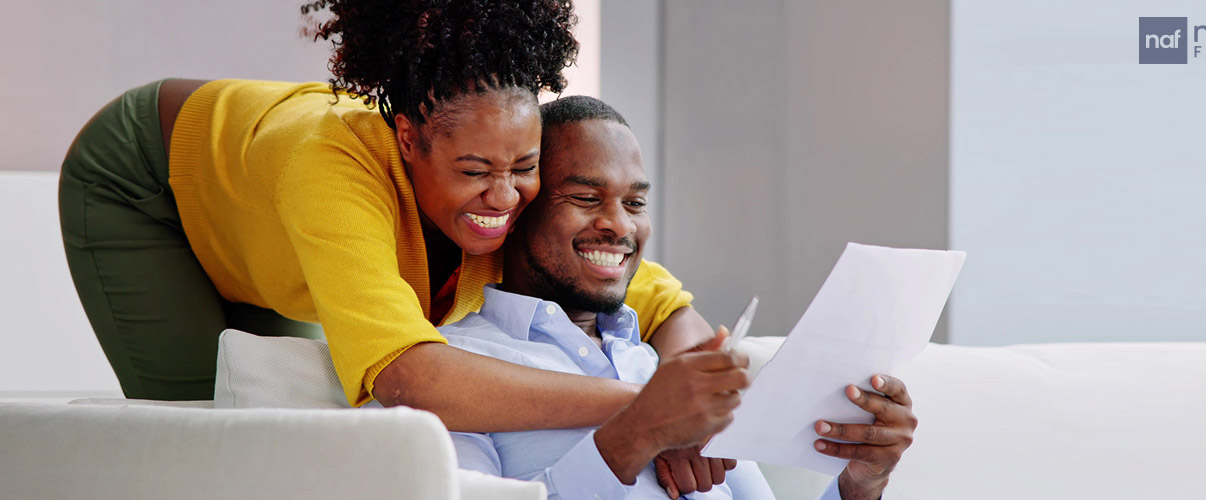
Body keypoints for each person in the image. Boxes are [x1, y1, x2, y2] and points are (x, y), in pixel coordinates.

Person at [57, 0, 719, 439]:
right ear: (407, 140)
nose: (504, 198)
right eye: (473, 171)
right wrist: (644, 407)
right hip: (145, 186)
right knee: (210, 434)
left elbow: (664, 306)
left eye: (523, 166)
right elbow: (411, 380)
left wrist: (705, 419)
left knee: (282, 420)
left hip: (258, 209)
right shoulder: (329, 171)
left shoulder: (513, 190)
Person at [437, 96, 918, 499]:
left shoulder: (660, 366)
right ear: (518, 206)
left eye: (635, 203)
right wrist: (636, 432)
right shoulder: (456, 372)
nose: (621, 225)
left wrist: (859, 482)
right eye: (586, 199)